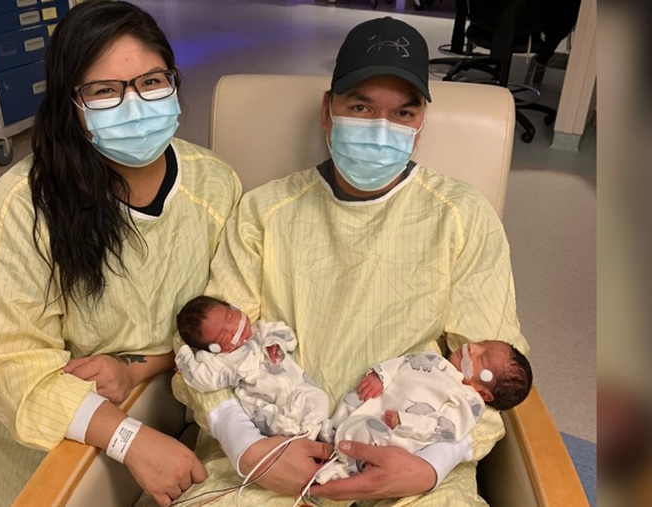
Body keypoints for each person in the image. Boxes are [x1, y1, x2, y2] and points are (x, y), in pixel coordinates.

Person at [152, 15, 529, 507]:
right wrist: (246, 445)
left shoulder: (463, 218)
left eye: (403, 113)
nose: (381, 128)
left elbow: (494, 373)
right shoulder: (264, 213)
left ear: (420, 126)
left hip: (409, 456)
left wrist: (432, 465)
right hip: (272, 450)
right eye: (361, 106)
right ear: (327, 112)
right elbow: (208, 348)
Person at [0, 2, 241, 506]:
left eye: (151, 82)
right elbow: (12, 363)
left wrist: (139, 368)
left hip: (176, 389)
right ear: (71, 104)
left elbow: (231, 311)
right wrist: (128, 437)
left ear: (173, 81)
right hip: (66, 418)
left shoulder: (215, 183)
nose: (135, 104)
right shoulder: (23, 209)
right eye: (104, 91)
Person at [315, 341, 532, 483]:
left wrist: (406, 421)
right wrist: (381, 376)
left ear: (484, 393)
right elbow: (404, 362)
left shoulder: (469, 402)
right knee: (353, 400)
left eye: (481, 358)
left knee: (369, 434)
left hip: (393, 429)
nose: (473, 348)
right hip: (377, 402)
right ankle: (329, 432)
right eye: (482, 343)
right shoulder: (435, 360)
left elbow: (445, 427)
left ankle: (340, 466)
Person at [174, 296, 331, 441]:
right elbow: (202, 379)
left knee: (320, 399)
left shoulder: (262, 330)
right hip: (261, 398)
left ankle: (315, 430)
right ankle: (298, 434)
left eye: (231, 317)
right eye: (223, 335)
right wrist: (184, 356)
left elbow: (289, 335)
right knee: (270, 419)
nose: (234, 328)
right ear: (214, 348)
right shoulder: (222, 362)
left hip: (297, 387)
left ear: (234, 307)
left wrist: (275, 342)